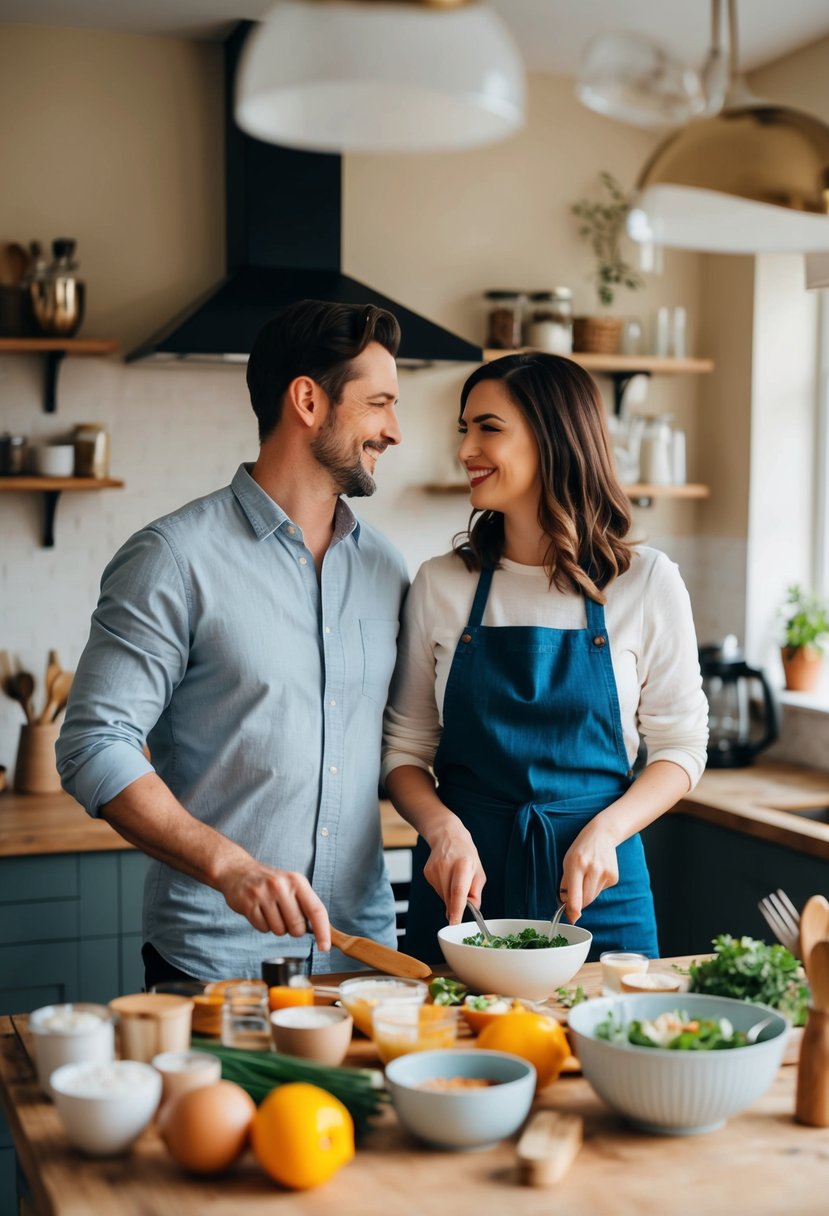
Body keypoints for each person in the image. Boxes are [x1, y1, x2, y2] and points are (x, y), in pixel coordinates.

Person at [57, 299, 409, 986]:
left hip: (360, 963)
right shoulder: (173, 558)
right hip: (215, 965)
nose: (394, 430)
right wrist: (232, 868)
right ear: (308, 400)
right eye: (379, 404)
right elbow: (94, 743)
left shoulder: (385, 569)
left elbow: (406, 742)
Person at [382, 352, 708, 963]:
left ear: (552, 438)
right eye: (465, 429)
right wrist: (441, 829)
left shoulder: (645, 582)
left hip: (599, 888)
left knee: (607, 1055)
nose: (466, 449)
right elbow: (404, 752)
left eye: (488, 428)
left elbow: (682, 746)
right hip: (464, 890)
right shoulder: (440, 584)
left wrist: (606, 831)